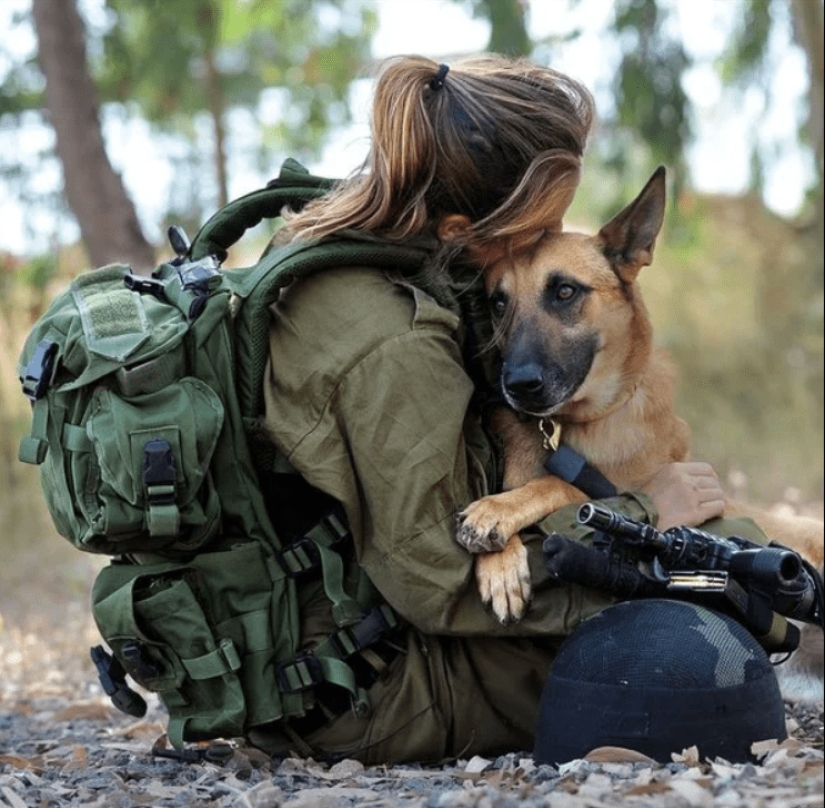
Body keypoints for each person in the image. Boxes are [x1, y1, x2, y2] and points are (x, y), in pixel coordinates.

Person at [255, 54, 760, 764]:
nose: (552, 235)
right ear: (470, 223)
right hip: (367, 692)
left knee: (734, 546)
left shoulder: (380, 264)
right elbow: (437, 577)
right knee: (724, 579)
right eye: (542, 217)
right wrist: (647, 522)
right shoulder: (389, 337)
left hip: (347, 642)